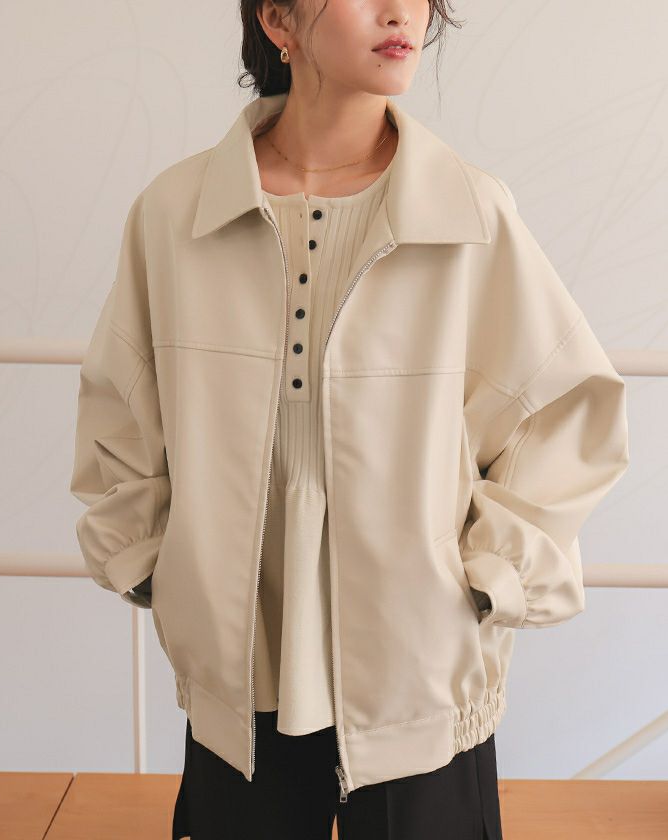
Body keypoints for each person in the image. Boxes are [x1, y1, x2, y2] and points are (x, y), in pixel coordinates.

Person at [69, 1, 631, 838]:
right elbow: (122, 405)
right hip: (240, 662)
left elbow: (562, 409)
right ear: (279, 20)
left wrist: (488, 578)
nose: (401, 12)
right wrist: (158, 565)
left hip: (419, 667)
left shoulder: (470, 211)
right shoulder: (175, 212)